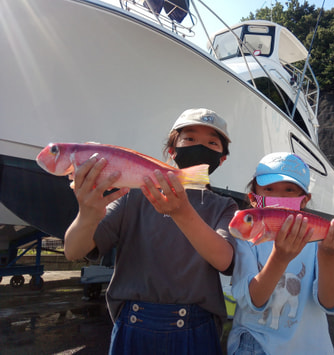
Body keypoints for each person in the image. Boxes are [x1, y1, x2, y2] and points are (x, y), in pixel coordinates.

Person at [64, 108, 237, 354]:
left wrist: (181, 212)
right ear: (172, 151)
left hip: (198, 326)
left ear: (222, 159)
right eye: (189, 139)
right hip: (133, 324)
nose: (200, 146)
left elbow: (225, 260)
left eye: (212, 142)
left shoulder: (224, 206)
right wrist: (87, 213)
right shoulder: (131, 196)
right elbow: (73, 250)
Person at [227, 152, 334, 355]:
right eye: (269, 189)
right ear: (254, 199)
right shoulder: (245, 240)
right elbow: (251, 302)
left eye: (289, 190)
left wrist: (328, 254)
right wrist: (279, 258)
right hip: (258, 346)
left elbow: (332, 303)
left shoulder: (316, 239)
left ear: (304, 201)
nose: (278, 198)